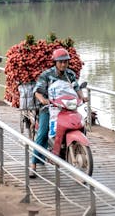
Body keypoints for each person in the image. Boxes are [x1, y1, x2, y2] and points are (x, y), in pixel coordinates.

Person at [30, 48, 87, 178]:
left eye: (65, 62)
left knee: (80, 124)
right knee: (43, 132)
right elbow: (37, 90)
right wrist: (42, 100)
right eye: (60, 62)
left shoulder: (70, 74)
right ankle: (33, 164)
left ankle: (75, 147)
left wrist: (82, 97)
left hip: (66, 107)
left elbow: (76, 88)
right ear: (55, 62)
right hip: (49, 107)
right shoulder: (47, 75)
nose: (63, 64)